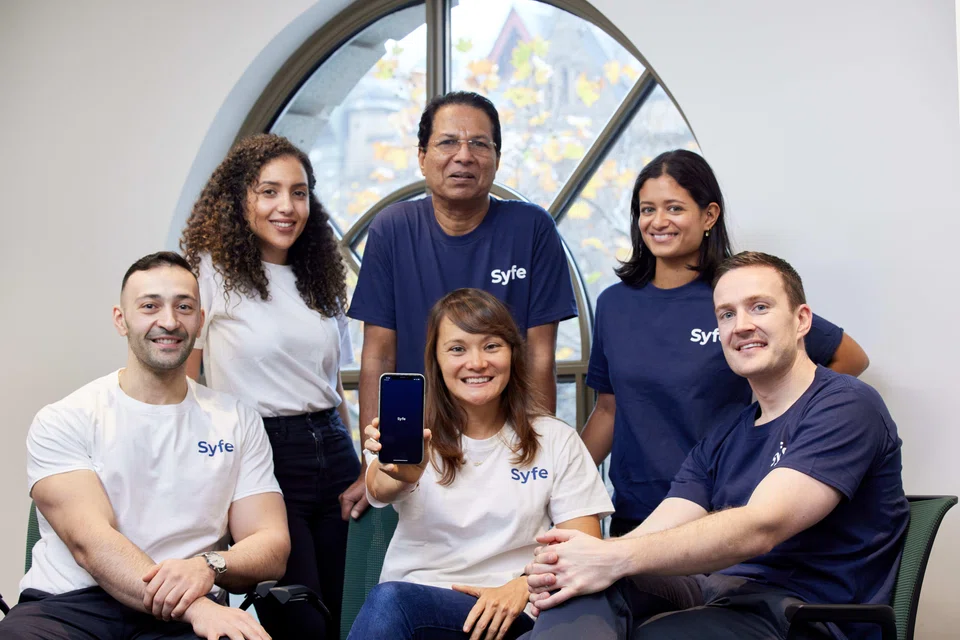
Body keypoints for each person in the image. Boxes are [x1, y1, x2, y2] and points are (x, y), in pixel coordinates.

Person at [521, 252, 908, 640]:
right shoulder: (728, 432)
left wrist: (609, 557)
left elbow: (761, 526)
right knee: (575, 588)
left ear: (801, 320)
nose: (741, 326)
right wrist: (578, 563)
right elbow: (658, 528)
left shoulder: (845, 404)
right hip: (719, 595)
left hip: (803, 616)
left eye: (759, 307)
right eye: (726, 314)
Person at [580, 150, 871, 535]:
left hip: (723, 511)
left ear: (709, 216)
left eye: (674, 208)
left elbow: (850, 357)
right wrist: (559, 482)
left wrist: (785, 436)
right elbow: (607, 411)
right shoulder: (614, 304)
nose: (658, 221)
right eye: (647, 209)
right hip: (637, 512)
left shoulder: (736, 296)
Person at [0, 252, 289, 640]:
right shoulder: (66, 418)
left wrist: (210, 565)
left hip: (183, 614)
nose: (169, 321)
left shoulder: (237, 419)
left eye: (184, 307)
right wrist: (199, 608)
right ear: (121, 319)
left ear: (200, 321)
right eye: (150, 306)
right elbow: (91, 543)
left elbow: (272, 544)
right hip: (70, 608)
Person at [343, 91, 578, 522]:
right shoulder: (393, 229)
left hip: (505, 436)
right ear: (422, 155)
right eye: (448, 142)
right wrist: (372, 461)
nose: (464, 156)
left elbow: (540, 353)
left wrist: (535, 455)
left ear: (497, 157)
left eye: (479, 144)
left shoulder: (531, 228)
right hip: (420, 440)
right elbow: (378, 353)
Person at [346, 289, 612, 640]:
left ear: (513, 354)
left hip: (515, 616)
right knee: (390, 600)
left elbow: (583, 546)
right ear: (437, 360)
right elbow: (380, 487)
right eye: (457, 349)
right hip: (416, 609)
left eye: (491, 346)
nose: (476, 363)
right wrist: (402, 476)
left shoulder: (555, 439)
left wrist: (522, 588)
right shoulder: (414, 434)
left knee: (390, 602)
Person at [180, 133, 356, 639]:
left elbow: (332, 386)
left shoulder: (320, 276)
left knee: (347, 615)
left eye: (299, 193)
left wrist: (360, 466)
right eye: (269, 191)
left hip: (335, 453)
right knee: (299, 619)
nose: (287, 206)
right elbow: (184, 380)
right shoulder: (210, 271)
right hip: (264, 456)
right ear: (241, 199)